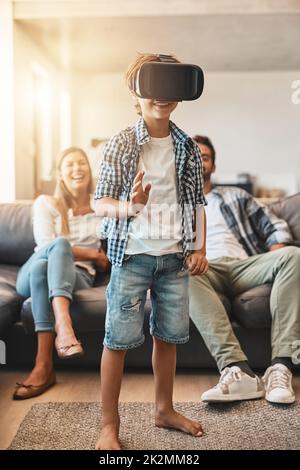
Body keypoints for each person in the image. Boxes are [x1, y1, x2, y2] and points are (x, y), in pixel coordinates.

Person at [94, 53, 208, 450]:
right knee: (117, 341)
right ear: (136, 90)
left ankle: (164, 410)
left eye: (169, 86)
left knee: (168, 338)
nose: (162, 95)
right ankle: (109, 425)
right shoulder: (122, 142)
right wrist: (132, 204)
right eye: (153, 85)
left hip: (174, 259)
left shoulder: (187, 147)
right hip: (132, 257)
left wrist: (199, 246)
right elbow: (101, 202)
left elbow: (196, 204)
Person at [189, 135, 300, 404]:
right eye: (193, 157)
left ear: (213, 166)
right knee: (180, 272)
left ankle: (281, 366)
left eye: (204, 157)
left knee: (293, 255)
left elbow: (274, 225)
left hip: (243, 266)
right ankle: (238, 370)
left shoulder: (235, 195)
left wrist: (275, 261)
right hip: (203, 269)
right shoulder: (173, 204)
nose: (198, 162)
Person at [14, 147, 109, 400]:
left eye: (81, 163)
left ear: (90, 170)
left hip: (77, 277)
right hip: (27, 277)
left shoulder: (102, 207)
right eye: (69, 165)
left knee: (41, 269)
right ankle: (64, 329)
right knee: (52, 251)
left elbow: (112, 254)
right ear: (60, 174)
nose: (77, 169)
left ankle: (43, 367)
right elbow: (46, 245)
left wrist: (104, 261)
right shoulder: (46, 203)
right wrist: (91, 254)